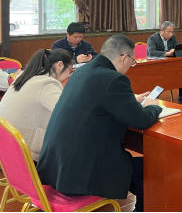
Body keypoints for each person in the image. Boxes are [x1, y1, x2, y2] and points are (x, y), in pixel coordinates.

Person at [37, 35, 162, 212]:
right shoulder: (114, 78)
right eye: (132, 61)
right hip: (81, 173)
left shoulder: (81, 72)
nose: (131, 66)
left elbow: (97, 103)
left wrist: (132, 102)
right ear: (124, 58)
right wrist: (152, 106)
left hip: (56, 167)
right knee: (152, 171)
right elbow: (141, 120)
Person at [0, 49, 73, 162]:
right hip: (24, 152)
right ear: (59, 65)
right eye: (69, 70)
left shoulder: (24, 76)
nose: (68, 75)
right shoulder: (47, 84)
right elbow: (68, 112)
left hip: (7, 148)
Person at [147, 21, 182, 104]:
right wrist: (166, 53)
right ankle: (154, 97)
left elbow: (177, 48)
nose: (171, 34)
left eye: (172, 32)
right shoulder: (152, 38)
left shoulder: (173, 37)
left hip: (170, 64)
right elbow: (151, 52)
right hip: (156, 66)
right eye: (169, 32)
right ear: (162, 30)